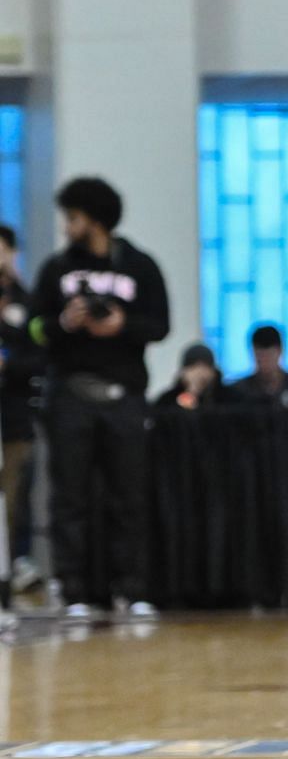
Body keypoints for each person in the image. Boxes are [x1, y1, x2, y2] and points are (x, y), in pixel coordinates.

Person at [31, 177, 171, 620]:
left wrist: (122, 325)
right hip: (71, 395)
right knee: (68, 497)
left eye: (72, 217)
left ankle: (132, 586)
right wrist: (63, 322)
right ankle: (74, 590)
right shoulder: (56, 269)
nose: (66, 226)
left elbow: (161, 325)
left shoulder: (140, 266)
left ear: (93, 220)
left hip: (124, 396)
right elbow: (33, 330)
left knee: (128, 497)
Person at [0, 225, 45, 593]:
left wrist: (8, 367)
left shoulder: (27, 303)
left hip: (14, 415)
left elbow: (39, 355)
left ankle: (16, 563)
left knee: (15, 495)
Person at [228, 325, 288, 409]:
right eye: (260, 356)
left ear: (280, 351)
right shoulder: (238, 391)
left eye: (269, 355)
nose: (264, 361)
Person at [155, 343, 224, 410]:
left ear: (213, 372)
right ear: (183, 372)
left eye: (204, 367)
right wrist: (191, 393)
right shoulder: (167, 400)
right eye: (193, 367)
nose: (199, 373)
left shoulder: (227, 397)